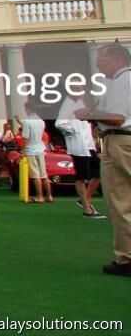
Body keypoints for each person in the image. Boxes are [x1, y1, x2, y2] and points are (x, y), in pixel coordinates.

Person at [75, 42, 131, 276]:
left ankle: (127, 258)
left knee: (121, 201)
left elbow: (118, 118)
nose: (98, 63)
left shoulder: (120, 83)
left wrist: (89, 114)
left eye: (103, 58)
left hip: (121, 141)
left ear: (118, 59)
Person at [57, 95, 103, 219]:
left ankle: (84, 200)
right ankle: (87, 210)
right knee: (81, 176)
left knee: (99, 173)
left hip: (88, 145)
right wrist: (74, 132)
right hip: (78, 146)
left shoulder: (81, 102)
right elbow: (60, 123)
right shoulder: (67, 104)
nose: (79, 91)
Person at [20, 101, 53, 204]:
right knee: (44, 175)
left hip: (31, 150)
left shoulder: (27, 122)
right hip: (40, 149)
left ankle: (40, 197)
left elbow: (25, 138)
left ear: (28, 109)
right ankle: (49, 196)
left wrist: (22, 150)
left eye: (26, 109)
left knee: (35, 175)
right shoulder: (41, 121)